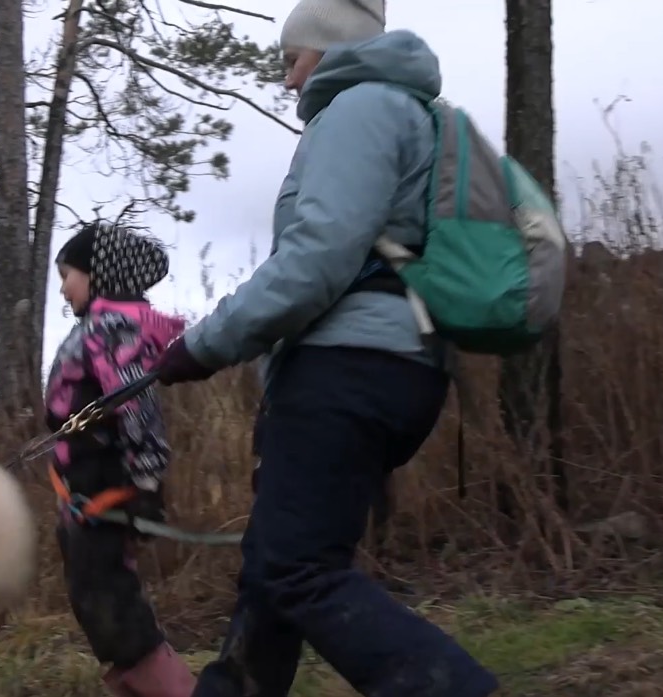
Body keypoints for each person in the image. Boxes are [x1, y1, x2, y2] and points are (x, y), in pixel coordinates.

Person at [152, 2, 501, 696]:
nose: (286, 81)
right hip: (389, 366)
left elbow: (315, 260)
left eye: (290, 60)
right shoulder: (403, 111)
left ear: (330, 47)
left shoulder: (360, 108)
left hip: (347, 370)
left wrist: (205, 343)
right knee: (274, 566)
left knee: (294, 566)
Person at [44, 220, 196, 697]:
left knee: (116, 611)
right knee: (99, 606)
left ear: (96, 274)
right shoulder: (100, 325)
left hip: (108, 493)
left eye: (67, 273)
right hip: (85, 496)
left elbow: (135, 402)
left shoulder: (112, 327)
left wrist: (147, 480)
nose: (63, 287)